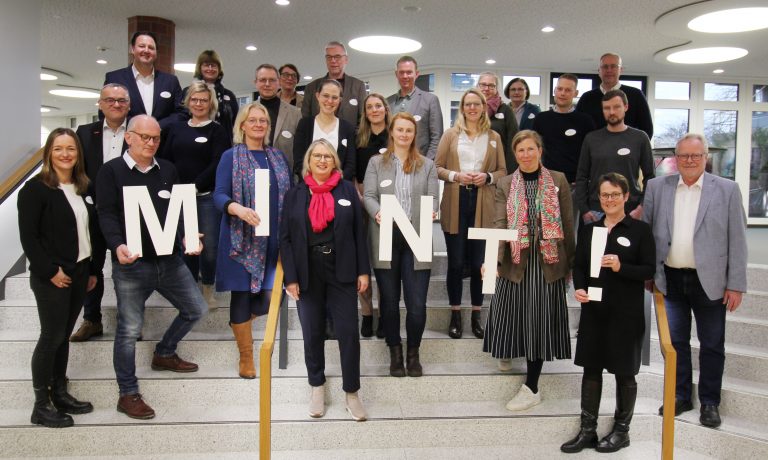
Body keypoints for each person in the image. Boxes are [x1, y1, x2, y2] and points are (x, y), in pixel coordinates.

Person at [96, 115, 207, 420]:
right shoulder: (110, 171)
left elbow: (177, 210)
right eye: (144, 137)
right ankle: (127, 393)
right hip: (132, 264)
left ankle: (165, 352)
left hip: (169, 260)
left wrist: (186, 234)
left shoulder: (167, 169)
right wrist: (117, 244)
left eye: (156, 138)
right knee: (129, 329)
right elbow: (106, 214)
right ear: (128, 137)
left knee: (197, 309)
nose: (151, 143)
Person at [644, 133, 747, 429]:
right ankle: (680, 395)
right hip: (671, 279)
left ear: (705, 158)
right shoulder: (657, 187)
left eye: (696, 155)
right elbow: (647, 234)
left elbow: (738, 239)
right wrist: (649, 273)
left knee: (712, 344)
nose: (689, 160)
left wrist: (736, 284)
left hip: (710, 282)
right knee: (675, 343)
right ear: (676, 158)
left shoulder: (727, 190)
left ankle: (710, 402)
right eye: (684, 156)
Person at [562, 173, 655, 453]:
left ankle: (621, 431)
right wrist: (579, 288)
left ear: (626, 197)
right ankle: (587, 431)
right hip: (594, 311)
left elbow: (649, 270)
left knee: (625, 373)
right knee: (591, 370)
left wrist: (620, 267)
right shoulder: (590, 230)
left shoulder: (640, 230)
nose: (610, 199)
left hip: (626, 314)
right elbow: (579, 266)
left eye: (615, 194)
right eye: (605, 195)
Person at [18, 128, 104, 427]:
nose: (65, 154)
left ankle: (60, 392)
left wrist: (92, 270)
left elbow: (90, 233)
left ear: (79, 153)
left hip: (80, 271)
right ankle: (41, 405)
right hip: (53, 276)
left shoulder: (83, 187)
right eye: (58, 149)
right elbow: (29, 238)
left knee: (63, 336)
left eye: (71, 149)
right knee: (51, 337)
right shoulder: (35, 189)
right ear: (49, 153)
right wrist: (50, 271)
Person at [483, 130, 574, 411]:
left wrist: (570, 265)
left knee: (539, 320)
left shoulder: (558, 180)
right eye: (520, 150)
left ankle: (532, 387)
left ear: (540, 150)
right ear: (515, 154)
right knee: (508, 310)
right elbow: (500, 222)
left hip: (548, 260)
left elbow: (568, 223)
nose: (526, 154)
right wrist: (493, 259)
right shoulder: (505, 183)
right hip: (515, 256)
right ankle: (507, 349)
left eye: (531, 149)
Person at [280, 139, 371, 421]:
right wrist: (290, 278)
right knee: (312, 332)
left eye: (327, 156)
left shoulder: (346, 190)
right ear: (308, 161)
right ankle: (316, 387)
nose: (322, 160)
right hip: (307, 272)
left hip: (341, 270)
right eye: (317, 156)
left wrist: (363, 270)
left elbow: (359, 232)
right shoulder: (295, 194)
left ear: (335, 162)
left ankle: (352, 393)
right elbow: (285, 238)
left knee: (348, 333)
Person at [213, 102, 293, 379]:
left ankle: (240, 324)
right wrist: (237, 209)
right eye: (253, 120)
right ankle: (246, 356)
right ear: (242, 125)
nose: (258, 124)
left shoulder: (278, 157)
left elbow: (290, 193)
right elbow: (219, 195)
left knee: (273, 296)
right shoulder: (230, 157)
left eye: (263, 121)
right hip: (240, 238)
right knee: (242, 294)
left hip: (273, 239)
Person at [364, 112, 439, 377]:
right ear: (392, 132)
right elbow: (369, 196)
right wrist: (377, 213)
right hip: (386, 235)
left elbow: (434, 199)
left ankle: (413, 353)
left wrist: (433, 211)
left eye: (409, 130)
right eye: (400, 129)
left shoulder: (427, 165)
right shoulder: (376, 163)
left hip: (417, 237)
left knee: (417, 304)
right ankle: (395, 352)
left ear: (414, 134)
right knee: (389, 301)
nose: (404, 134)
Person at [435, 88, 506, 339]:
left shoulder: (494, 137)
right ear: (462, 108)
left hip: (484, 203)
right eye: (468, 104)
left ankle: (477, 315)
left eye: (477, 104)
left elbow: (502, 171)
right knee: (456, 263)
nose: (472, 108)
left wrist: (487, 177)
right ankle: (455, 314)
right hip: (456, 200)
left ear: (484, 107)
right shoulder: (450, 135)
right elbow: (437, 167)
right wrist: (457, 175)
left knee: (478, 264)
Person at [158, 80, 231, 310]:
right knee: (187, 247)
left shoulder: (217, 130)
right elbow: (166, 159)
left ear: (211, 103)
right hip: (179, 197)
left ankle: (207, 289)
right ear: (188, 102)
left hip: (205, 196)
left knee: (209, 247)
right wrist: (174, 186)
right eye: (195, 99)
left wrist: (195, 186)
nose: (199, 104)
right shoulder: (176, 128)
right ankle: (189, 292)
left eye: (204, 100)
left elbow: (217, 162)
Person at [70, 83, 130, 342]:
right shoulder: (84, 133)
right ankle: (91, 319)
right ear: (100, 104)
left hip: (126, 212)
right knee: (90, 265)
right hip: (92, 209)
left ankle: (129, 321)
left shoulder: (138, 131)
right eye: (110, 100)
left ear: (128, 105)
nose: (116, 104)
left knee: (126, 269)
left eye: (121, 100)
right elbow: (76, 168)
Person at [575, 90, 654, 224]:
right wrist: (584, 209)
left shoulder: (640, 138)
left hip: (630, 211)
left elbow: (650, 177)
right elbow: (582, 176)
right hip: (596, 212)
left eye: (616, 107)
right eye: (607, 108)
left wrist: (641, 207)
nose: (611, 112)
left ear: (626, 107)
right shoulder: (591, 139)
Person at [356, 93, 391, 338]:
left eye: (378, 105)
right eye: (370, 107)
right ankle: (367, 312)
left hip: (389, 205)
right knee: (362, 260)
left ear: (385, 109)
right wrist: (361, 198)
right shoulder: (358, 138)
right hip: (361, 202)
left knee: (384, 262)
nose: (375, 110)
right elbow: (353, 172)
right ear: (365, 112)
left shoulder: (395, 136)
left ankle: (384, 313)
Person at [104, 31, 184, 130]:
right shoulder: (115, 78)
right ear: (132, 49)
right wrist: (139, 127)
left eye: (151, 48)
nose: (146, 50)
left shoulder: (170, 81)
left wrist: (157, 126)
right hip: (126, 137)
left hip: (163, 137)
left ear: (156, 52)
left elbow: (181, 113)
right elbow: (106, 111)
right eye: (142, 46)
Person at [575, 53, 653, 139]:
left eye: (613, 66)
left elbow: (647, 130)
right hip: (594, 147)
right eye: (605, 67)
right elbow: (578, 127)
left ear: (620, 70)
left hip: (627, 147)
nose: (609, 70)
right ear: (599, 71)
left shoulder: (636, 95)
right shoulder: (586, 98)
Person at [293, 79, 356, 180]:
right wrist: (314, 183)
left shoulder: (348, 128)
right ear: (318, 96)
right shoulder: (304, 125)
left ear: (340, 100)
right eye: (326, 96)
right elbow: (299, 161)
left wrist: (335, 182)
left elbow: (351, 165)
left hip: (339, 185)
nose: (330, 101)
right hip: (309, 186)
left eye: (334, 97)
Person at [386, 56, 443, 159]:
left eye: (409, 72)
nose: (405, 76)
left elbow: (437, 138)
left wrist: (427, 163)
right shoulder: (387, 102)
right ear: (396, 74)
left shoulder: (430, 100)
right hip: (392, 161)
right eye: (401, 72)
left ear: (416, 74)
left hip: (419, 161)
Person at [301, 41, 367, 129]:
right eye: (329, 57)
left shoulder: (358, 86)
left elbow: (363, 120)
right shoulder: (312, 87)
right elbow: (306, 120)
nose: (333, 60)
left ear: (346, 59)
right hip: (318, 137)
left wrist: (351, 136)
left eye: (337, 57)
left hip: (350, 137)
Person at [183, 50, 239, 140]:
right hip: (192, 141)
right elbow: (182, 119)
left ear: (219, 69)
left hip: (223, 143)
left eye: (213, 65)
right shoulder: (187, 92)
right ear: (200, 68)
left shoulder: (229, 95)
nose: (210, 69)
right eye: (206, 65)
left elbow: (236, 123)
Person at [254, 64, 301, 170]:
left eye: (272, 80)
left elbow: (300, 151)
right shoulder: (245, 112)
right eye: (262, 80)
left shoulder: (295, 114)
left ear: (279, 83)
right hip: (252, 173)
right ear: (255, 83)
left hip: (285, 174)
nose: (267, 84)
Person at [477, 71, 518, 170]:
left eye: (491, 86)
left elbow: (513, 141)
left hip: (498, 166)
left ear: (496, 89)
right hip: (472, 164)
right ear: (477, 86)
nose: (486, 88)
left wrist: (509, 170)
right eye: (483, 85)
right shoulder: (470, 108)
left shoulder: (506, 110)